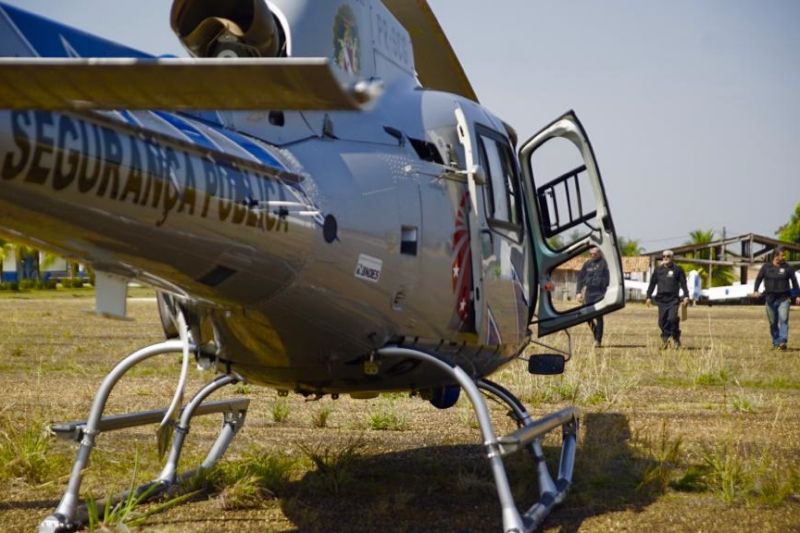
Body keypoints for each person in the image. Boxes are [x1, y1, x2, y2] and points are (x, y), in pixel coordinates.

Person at [752, 247, 800, 350]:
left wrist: (797, 295)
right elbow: (759, 279)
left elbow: (795, 282)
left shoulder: (788, 268)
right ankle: (776, 341)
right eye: (782, 255)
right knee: (773, 322)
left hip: (784, 298)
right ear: (776, 256)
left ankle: (782, 341)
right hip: (770, 299)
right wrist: (755, 290)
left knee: (784, 319)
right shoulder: (766, 267)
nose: (784, 257)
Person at [645, 250, 689, 349]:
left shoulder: (678, 270)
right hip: (661, 300)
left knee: (672, 319)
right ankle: (668, 339)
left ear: (672, 257)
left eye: (668, 256)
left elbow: (683, 284)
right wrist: (648, 296)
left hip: (673, 299)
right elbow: (652, 284)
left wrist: (686, 296)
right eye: (663, 256)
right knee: (661, 322)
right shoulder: (658, 270)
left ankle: (669, 339)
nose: (665, 258)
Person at [576, 246, 610, 347]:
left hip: (600, 293)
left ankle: (598, 340)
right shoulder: (587, 264)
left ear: (599, 253)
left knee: (598, 316)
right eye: (591, 254)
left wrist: (606, 290)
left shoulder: (604, 264)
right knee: (587, 316)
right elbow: (580, 278)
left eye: (594, 254)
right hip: (589, 292)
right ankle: (596, 334)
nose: (592, 256)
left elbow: (609, 278)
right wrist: (578, 292)